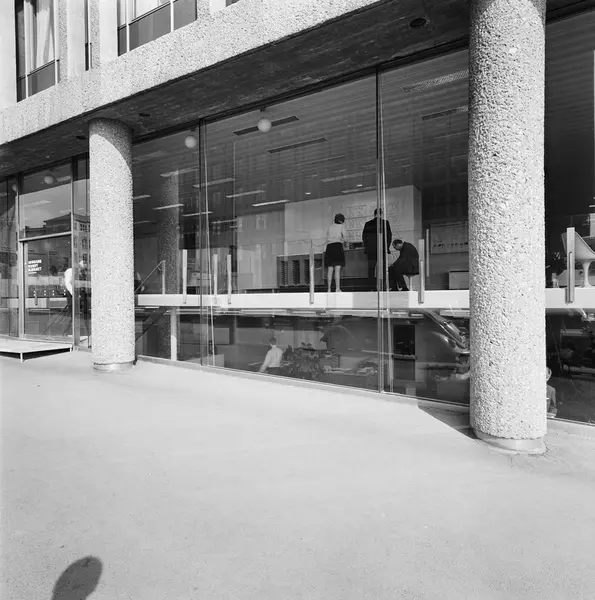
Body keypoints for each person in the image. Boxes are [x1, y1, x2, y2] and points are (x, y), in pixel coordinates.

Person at [362, 208, 392, 291]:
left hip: (371, 250)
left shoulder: (368, 224)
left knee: (371, 269)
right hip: (382, 249)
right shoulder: (385, 223)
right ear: (381, 214)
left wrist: (367, 247)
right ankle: (384, 287)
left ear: (374, 214)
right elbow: (389, 236)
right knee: (383, 269)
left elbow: (364, 237)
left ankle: (371, 287)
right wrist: (386, 247)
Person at [325, 213, 347, 293]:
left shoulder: (330, 227)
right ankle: (337, 289)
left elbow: (327, 237)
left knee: (330, 269)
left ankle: (329, 289)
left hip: (329, 247)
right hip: (337, 247)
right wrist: (343, 241)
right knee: (337, 269)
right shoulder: (342, 226)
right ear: (342, 220)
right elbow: (345, 238)